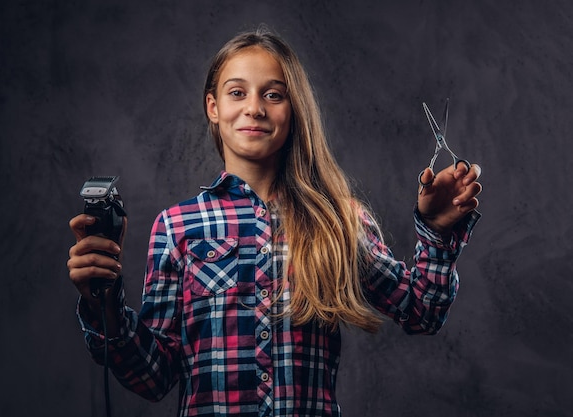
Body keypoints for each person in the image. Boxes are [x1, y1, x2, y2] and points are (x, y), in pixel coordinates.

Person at [67, 28, 482, 417]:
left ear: (294, 108)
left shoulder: (338, 221)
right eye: (237, 92)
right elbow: (153, 377)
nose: (254, 108)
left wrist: (438, 232)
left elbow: (423, 311)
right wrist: (103, 306)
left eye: (273, 94)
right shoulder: (178, 227)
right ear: (214, 107)